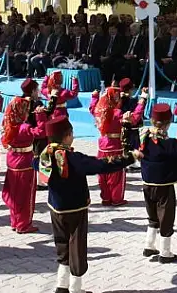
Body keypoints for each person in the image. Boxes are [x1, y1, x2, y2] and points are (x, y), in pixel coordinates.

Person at [38, 116, 134, 293]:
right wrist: (129, 158)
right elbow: (102, 165)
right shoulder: (75, 159)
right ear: (67, 136)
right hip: (76, 209)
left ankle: (62, 285)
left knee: (62, 244)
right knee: (77, 247)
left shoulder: (45, 156)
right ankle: (75, 288)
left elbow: (34, 164)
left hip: (55, 209)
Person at [134, 104, 177, 263]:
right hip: (164, 186)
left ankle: (149, 245)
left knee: (152, 215)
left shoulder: (142, 137)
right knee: (166, 218)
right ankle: (165, 252)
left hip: (146, 184)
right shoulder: (170, 143)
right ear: (168, 123)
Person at [90, 85, 147, 206]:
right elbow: (135, 118)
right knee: (117, 173)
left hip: (102, 145)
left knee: (103, 172)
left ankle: (106, 198)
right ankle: (116, 199)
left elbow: (92, 108)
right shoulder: (117, 113)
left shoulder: (99, 111)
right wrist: (142, 101)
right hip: (115, 145)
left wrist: (95, 97)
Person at [1, 96, 48, 233]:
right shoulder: (24, 127)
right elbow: (41, 132)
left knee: (14, 193)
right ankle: (23, 224)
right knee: (26, 194)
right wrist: (40, 116)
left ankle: (14, 221)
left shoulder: (7, 125)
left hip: (12, 160)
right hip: (25, 162)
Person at [119, 78, 144, 172]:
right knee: (133, 144)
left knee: (124, 144)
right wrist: (143, 100)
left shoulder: (117, 100)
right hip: (131, 127)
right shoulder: (132, 101)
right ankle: (130, 162)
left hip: (120, 127)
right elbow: (136, 116)